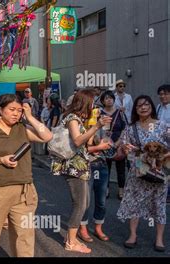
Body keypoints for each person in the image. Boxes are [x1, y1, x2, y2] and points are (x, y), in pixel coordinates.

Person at [0, 94, 53, 257]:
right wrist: (1, 160)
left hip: (24, 190)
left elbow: (47, 136)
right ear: (0, 110)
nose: (16, 114)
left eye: (19, 110)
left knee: (25, 235)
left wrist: (29, 117)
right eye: (11, 110)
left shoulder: (22, 128)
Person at [51, 89, 112, 254]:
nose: (95, 105)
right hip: (73, 166)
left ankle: (71, 238)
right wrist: (97, 125)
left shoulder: (79, 119)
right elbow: (78, 141)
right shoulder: (72, 118)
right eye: (93, 101)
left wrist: (94, 124)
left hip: (80, 166)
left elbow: (87, 142)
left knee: (83, 203)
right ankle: (71, 241)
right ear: (85, 102)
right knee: (80, 204)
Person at [117, 95, 169, 252]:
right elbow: (123, 148)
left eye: (146, 104)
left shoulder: (163, 125)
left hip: (159, 172)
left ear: (151, 107)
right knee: (134, 203)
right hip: (138, 171)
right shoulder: (131, 128)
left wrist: (163, 157)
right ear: (136, 109)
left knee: (159, 205)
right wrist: (124, 149)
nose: (143, 107)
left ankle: (159, 239)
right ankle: (133, 235)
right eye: (139, 105)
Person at [100, 91, 127, 200]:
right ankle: (106, 189)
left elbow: (125, 129)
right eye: (106, 98)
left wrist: (118, 142)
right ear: (102, 101)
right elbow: (96, 129)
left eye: (111, 98)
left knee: (121, 169)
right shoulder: (99, 113)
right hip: (105, 144)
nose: (109, 100)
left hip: (118, 144)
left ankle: (121, 190)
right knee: (106, 168)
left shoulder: (120, 113)